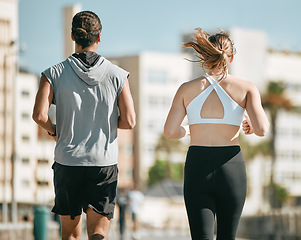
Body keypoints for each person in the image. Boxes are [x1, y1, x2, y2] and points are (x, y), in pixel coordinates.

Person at [32, 11, 135, 240]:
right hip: (104, 164)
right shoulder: (118, 75)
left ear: (72, 36)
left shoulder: (53, 73)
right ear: (99, 38)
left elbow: (39, 115)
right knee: (98, 232)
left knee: (70, 234)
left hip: (67, 162)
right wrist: (106, 121)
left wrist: (55, 129)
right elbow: (129, 121)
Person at [164, 28, 269, 240]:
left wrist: (189, 129)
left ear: (203, 55)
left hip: (197, 166)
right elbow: (262, 129)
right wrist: (249, 125)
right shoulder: (246, 88)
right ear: (231, 57)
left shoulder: (186, 89)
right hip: (231, 167)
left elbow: (170, 132)